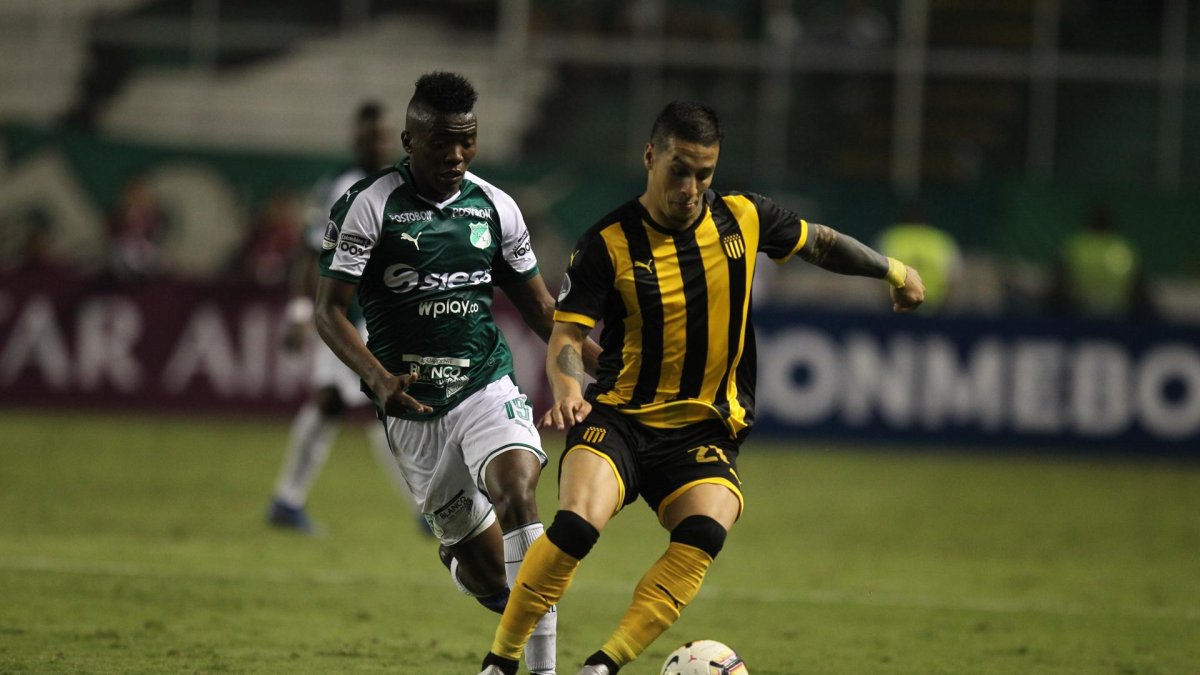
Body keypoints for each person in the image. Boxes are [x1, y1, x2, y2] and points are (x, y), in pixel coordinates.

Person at [477, 101, 924, 675]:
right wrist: (567, 389)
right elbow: (566, 335)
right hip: (620, 418)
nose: (691, 187)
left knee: (706, 528)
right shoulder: (606, 244)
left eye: (704, 173)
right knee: (575, 525)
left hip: (702, 433)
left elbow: (822, 243)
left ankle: (602, 666)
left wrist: (892, 270)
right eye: (679, 170)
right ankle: (501, 661)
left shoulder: (744, 218)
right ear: (650, 157)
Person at [315, 72, 599, 675]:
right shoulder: (368, 206)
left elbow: (545, 314)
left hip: (485, 384)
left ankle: (539, 670)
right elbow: (329, 310)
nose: (455, 155)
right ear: (408, 140)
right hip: (413, 410)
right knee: (487, 577)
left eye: (466, 141)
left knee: (519, 492)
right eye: (441, 142)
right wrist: (377, 378)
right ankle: (470, 570)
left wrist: (609, 366)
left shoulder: (495, 208)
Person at [266, 101, 426, 534]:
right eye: (369, 135)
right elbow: (310, 251)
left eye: (383, 135)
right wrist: (300, 312)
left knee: (355, 404)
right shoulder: (340, 186)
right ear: (356, 139)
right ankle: (427, 508)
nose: (376, 143)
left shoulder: (404, 186)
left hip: (382, 317)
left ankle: (286, 501)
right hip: (343, 314)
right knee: (377, 403)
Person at [876, 200, 962, 313]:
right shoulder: (940, 239)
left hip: (898, 304)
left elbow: (877, 274)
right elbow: (954, 278)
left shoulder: (890, 237)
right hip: (934, 306)